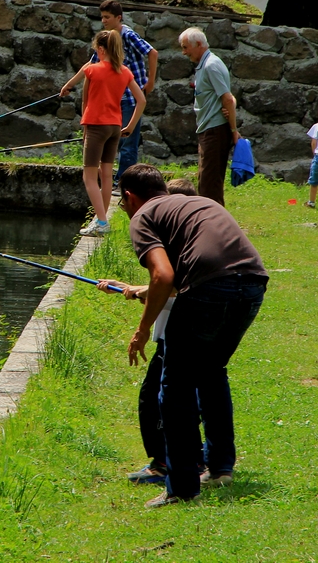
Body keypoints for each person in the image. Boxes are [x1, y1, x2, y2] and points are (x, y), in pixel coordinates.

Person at [98, 164, 267, 507]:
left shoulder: (143, 216)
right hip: (252, 284)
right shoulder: (200, 204)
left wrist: (142, 331)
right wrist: (140, 290)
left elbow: (163, 274)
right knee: (210, 372)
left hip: (210, 290)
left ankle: (181, 487)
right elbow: (180, 275)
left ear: (129, 197)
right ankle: (220, 467)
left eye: (121, 201)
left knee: (174, 389)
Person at [126, 177, 197, 487]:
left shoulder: (169, 242)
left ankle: (163, 463)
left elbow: (167, 285)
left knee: (155, 398)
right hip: (192, 330)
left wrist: (141, 327)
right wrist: (135, 290)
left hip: (175, 336)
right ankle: (194, 458)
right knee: (191, 396)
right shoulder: (191, 240)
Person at [62, 30, 145, 236]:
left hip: (96, 127)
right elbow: (141, 100)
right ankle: (101, 220)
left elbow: (86, 101)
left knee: (89, 176)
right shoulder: (124, 71)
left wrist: (84, 124)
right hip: (115, 127)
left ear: (100, 49)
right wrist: (131, 126)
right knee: (106, 174)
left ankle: (101, 222)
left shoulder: (92, 70)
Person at [89, 0, 157, 186]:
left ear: (118, 18)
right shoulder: (107, 38)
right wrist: (71, 84)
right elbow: (93, 64)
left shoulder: (128, 35)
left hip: (131, 97)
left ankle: (123, 182)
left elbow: (152, 53)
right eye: (102, 17)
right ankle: (111, 180)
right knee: (112, 140)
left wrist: (150, 81)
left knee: (128, 142)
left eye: (107, 17)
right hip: (114, 97)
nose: (103, 20)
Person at [178, 28, 239, 206]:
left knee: (209, 186)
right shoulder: (205, 64)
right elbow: (229, 98)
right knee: (206, 181)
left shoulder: (211, 65)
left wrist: (234, 130)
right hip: (209, 130)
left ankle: (214, 227)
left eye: (185, 47)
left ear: (198, 44)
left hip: (215, 130)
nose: (183, 52)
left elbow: (227, 98)